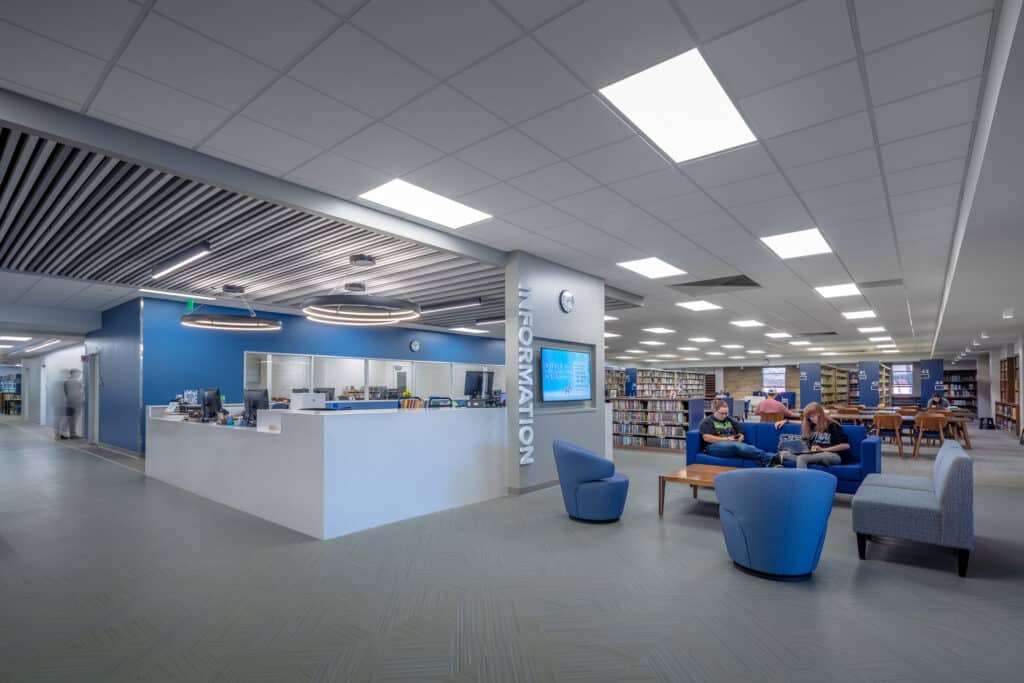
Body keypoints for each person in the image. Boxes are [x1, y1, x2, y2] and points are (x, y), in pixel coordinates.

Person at [699, 399, 781, 466]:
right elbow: (706, 437)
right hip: (713, 447)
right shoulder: (707, 421)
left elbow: (741, 432)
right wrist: (727, 439)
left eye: (726, 413)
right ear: (714, 411)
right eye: (722, 413)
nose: (724, 416)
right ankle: (773, 457)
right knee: (738, 447)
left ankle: (770, 463)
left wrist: (740, 437)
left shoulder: (729, 419)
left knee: (748, 449)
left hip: (733, 444)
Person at [774, 402, 849, 469]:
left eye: (813, 417)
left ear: (820, 414)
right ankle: (816, 461)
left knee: (802, 458)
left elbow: (846, 445)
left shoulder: (832, 425)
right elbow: (801, 423)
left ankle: (803, 483)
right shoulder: (812, 424)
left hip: (833, 455)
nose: (811, 419)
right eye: (809, 418)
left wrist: (823, 450)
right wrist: (787, 421)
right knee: (782, 453)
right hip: (814, 453)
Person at [59, 368, 84, 440]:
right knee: (73, 419)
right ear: (73, 373)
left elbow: (66, 392)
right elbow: (79, 392)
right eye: (78, 373)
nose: (79, 375)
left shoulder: (66, 382)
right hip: (75, 402)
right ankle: (72, 434)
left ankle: (63, 433)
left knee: (68, 418)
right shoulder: (76, 382)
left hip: (69, 402)